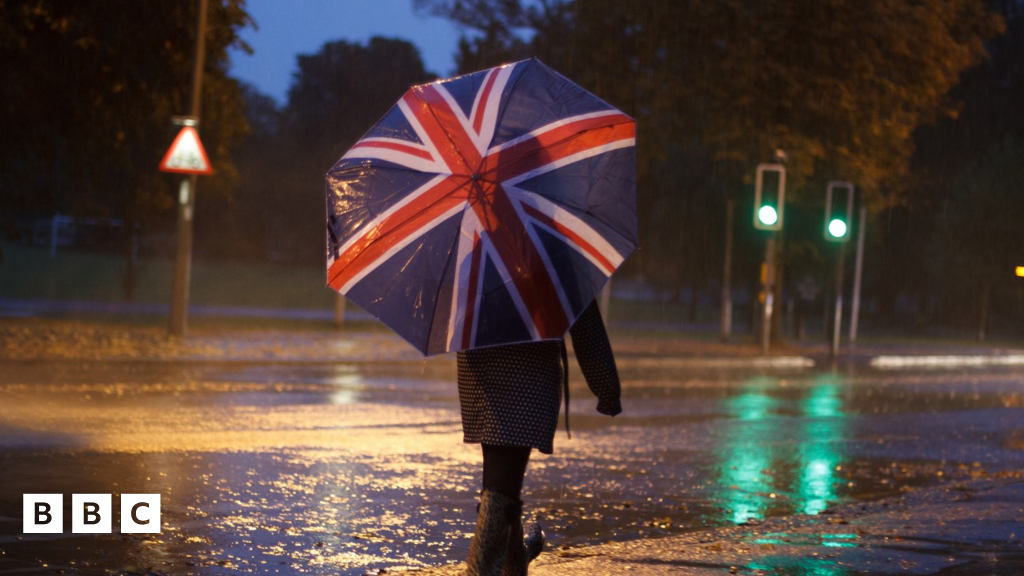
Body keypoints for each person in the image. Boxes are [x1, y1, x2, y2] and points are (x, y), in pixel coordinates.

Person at [457, 299, 622, 576]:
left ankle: (513, 562)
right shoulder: (549, 258)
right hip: (530, 375)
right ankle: (482, 569)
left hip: (479, 369)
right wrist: (607, 388)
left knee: (499, 482)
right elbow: (583, 318)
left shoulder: (474, 258)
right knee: (500, 489)